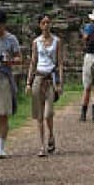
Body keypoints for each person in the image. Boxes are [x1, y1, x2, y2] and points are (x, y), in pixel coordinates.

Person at [0, 8, 21, 158]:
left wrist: (10, 60)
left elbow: (19, 58)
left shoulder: (11, 39)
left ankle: (1, 147)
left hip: (4, 77)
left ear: (4, 25)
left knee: (3, 114)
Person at [26, 14, 62, 157]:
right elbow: (33, 62)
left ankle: (51, 135)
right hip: (38, 77)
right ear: (40, 25)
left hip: (50, 78)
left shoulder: (57, 41)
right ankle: (42, 145)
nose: (46, 25)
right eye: (43, 23)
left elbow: (59, 63)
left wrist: (60, 82)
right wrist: (29, 82)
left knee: (48, 113)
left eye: (48, 22)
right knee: (39, 115)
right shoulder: (36, 42)